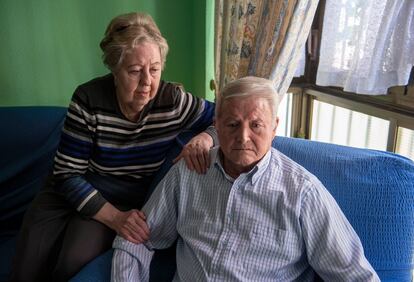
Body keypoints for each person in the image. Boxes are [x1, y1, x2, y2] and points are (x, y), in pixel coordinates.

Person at [10, 12, 216, 281]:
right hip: (68, 188)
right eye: (134, 71)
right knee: (26, 268)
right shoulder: (88, 98)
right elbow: (67, 175)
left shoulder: (172, 100)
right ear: (114, 70)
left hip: (121, 198)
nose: (146, 82)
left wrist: (206, 137)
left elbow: (224, 116)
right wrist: (117, 220)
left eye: (154, 69)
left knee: (71, 261)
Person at [111, 76, 380, 281]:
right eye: (232, 124)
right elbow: (135, 238)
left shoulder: (303, 193)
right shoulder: (189, 172)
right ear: (216, 124)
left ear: (274, 127)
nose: (243, 137)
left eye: (256, 125)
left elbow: (355, 274)